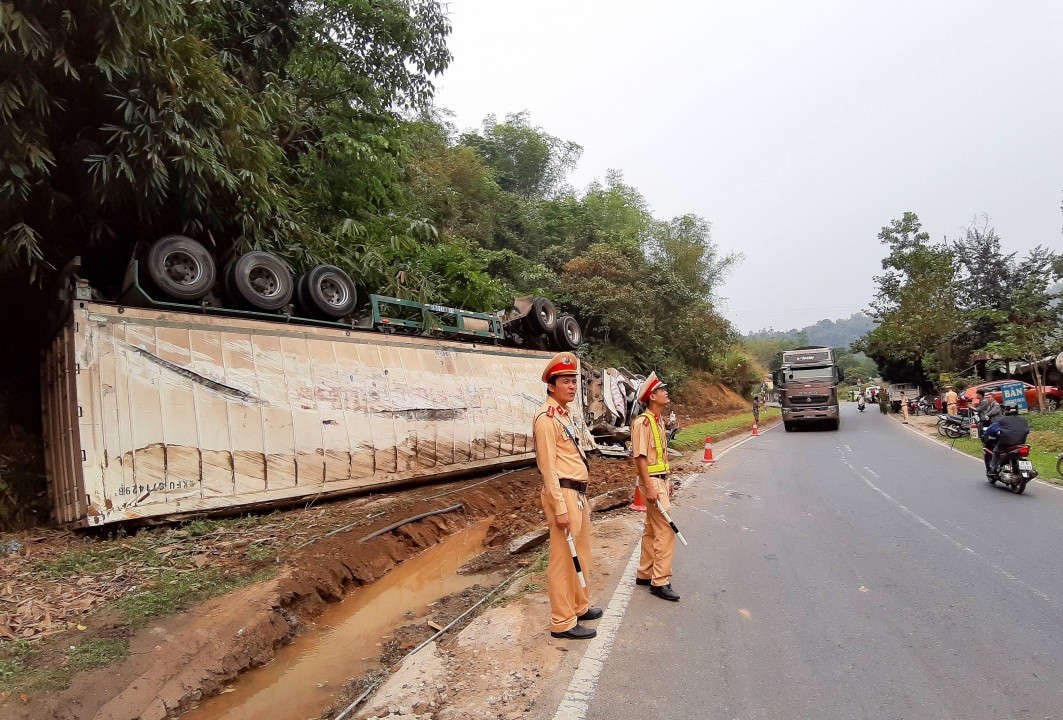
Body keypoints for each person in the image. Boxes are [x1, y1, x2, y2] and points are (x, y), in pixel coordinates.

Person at [533, 352, 601, 639]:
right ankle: (562, 621)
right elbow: (548, 469)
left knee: (581, 554)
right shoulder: (546, 419)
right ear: (552, 385)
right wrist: (559, 507)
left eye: (574, 381)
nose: (572, 386)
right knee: (563, 560)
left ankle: (578, 605)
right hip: (563, 494)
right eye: (566, 381)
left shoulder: (564, 415)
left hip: (578, 495)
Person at [631, 372, 680, 601]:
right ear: (652, 396)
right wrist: (650, 487)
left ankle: (645, 572)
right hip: (652, 483)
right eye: (662, 389)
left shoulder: (657, 421)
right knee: (666, 530)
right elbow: (640, 457)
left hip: (659, 481)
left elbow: (660, 456)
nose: (666, 392)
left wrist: (666, 480)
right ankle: (660, 581)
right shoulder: (643, 423)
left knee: (652, 528)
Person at [983, 404, 1030, 476]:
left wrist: (997, 432)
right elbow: (1027, 430)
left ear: (1006, 410)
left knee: (996, 451)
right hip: (1021, 444)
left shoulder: (1002, 420)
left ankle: (993, 468)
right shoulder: (1024, 420)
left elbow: (990, 430)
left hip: (1006, 444)